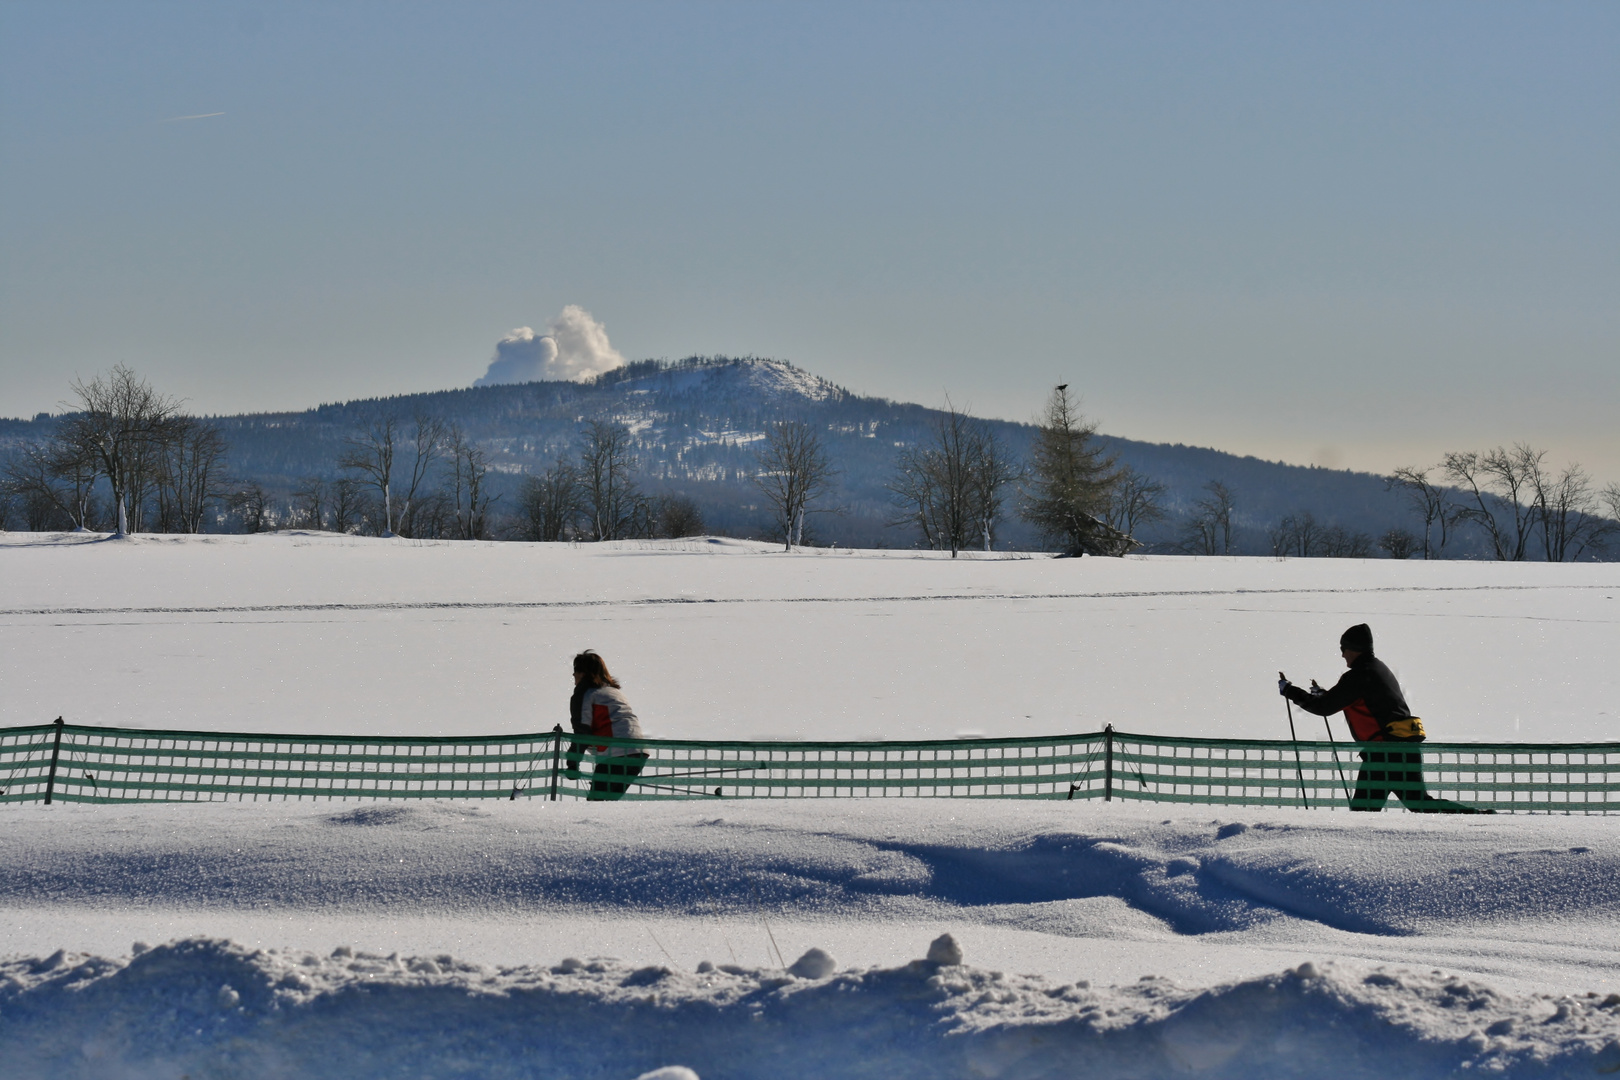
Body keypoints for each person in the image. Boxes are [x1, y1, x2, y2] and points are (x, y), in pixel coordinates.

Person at [1279, 624, 1489, 813]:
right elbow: (1353, 700)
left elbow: (1324, 708)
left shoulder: (1358, 675)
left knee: (1363, 814)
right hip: (1404, 750)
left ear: (1353, 649)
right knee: (1420, 803)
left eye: (1343, 649)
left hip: (1384, 755)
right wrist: (1325, 694)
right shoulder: (1378, 669)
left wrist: (1290, 691)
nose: (1342, 655)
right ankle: (1477, 818)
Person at [568, 650, 649, 801]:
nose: (573, 675)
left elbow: (582, 732)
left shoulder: (584, 694)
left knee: (597, 804)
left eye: (576, 671)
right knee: (607, 804)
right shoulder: (615, 692)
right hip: (638, 751)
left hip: (615, 753)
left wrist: (572, 762)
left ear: (583, 673)